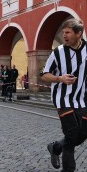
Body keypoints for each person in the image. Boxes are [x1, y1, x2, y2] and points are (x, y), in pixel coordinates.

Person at [41, 18, 87, 172]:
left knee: (82, 134)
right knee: (72, 134)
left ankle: (55, 147)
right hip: (63, 99)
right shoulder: (58, 52)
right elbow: (44, 75)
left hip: (82, 100)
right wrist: (59, 78)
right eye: (63, 32)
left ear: (78, 33)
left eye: (67, 32)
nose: (64, 35)